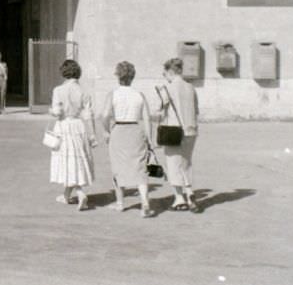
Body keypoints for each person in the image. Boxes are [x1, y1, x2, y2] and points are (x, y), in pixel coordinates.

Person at [101, 61, 156, 218]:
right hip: (135, 131)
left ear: (118, 76)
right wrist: (149, 138)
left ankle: (120, 203)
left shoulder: (112, 94)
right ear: (133, 77)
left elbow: (104, 115)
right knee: (140, 167)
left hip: (118, 130)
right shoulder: (139, 95)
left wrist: (106, 130)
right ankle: (145, 203)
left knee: (118, 168)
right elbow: (147, 118)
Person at [49, 59, 97, 211]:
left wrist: (51, 111)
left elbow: (57, 112)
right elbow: (88, 115)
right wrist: (93, 135)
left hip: (64, 126)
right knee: (77, 160)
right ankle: (67, 195)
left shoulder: (58, 90)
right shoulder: (83, 91)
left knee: (68, 161)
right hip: (78, 126)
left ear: (64, 73)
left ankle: (80, 193)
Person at [158, 57, 200, 212]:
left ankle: (179, 198)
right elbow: (196, 111)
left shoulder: (166, 88)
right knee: (186, 163)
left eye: (164, 74)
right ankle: (189, 191)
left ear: (170, 72)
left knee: (173, 164)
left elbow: (161, 111)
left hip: (173, 130)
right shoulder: (191, 87)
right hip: (191, 130)